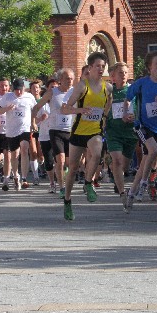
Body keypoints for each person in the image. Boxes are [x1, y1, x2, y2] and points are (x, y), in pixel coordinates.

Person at [124, 51, 157, 211]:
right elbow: (127, 98)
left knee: (146, 161)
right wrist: (126, 113)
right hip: (142, 126)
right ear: (150, 67)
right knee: (153, 151)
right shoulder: (141, 83)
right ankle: (144, 183)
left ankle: (131, 193)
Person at [60, 52, 111, 220]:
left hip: (95, 130)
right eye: (97, 66)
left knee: (97, 153)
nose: (100, 69)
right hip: (78, 132)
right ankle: (67, 201)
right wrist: (79, 110)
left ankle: (88, 183)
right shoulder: (83, 86)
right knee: (73, 169)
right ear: (90, 67)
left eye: (103, 66)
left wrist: (105, 116)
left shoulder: (107, 87)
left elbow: (110, 100)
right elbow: (64, 109)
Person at [33, 69, 75, 198]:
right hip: (56, 131)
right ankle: (62, 187)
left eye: (71, 79)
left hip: (70, 131)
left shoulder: (75, 92)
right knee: (60, 160)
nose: (70, 81)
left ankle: (64, 178)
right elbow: (36, 107)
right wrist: (33, 122)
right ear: (60, 80)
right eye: (67, 78)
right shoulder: (52, 93)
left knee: (69, 163)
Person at [0, 78, 38, 191]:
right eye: (16, 90)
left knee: (24, 148)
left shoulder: (29, 97)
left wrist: (33, 123)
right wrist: (7, 108)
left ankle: (24, 178)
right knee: (14, 155)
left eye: (20, 90)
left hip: (25, 128)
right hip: (11, 130)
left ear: (24, 88)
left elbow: (34, 110)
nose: (18, 92)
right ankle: (15, 175)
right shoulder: (8, 97)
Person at [106, 62, 138, 209]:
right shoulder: (109, 92)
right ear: (113, 75)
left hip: (130, 133)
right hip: (113, 132)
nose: (124, 75)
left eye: (125, 72)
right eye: (120, 73)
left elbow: (139, 108)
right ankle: (122, 193)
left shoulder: (133, 91)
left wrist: (134, 116)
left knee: (124, 166)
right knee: (117, 161)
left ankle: (115, 172)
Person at [36, 78, 58, 192]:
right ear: (48, 89)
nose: (54, 89)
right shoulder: (42, 103)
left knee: (60, 160)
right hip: (45, 135)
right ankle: (52, 183)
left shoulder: (62, 101)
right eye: (51, 87)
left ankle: (61, 181)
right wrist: (41, 118)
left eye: (56, 87)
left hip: (59, 134)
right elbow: (35, 120)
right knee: (49, 161)